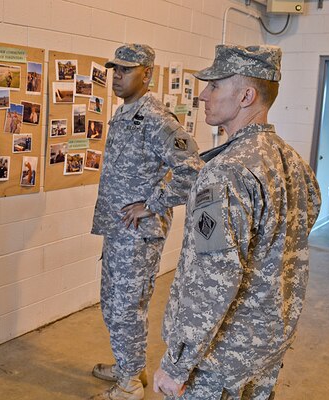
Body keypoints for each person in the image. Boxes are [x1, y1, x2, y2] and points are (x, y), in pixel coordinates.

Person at [153, 45, 322, 399]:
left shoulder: (225, 172)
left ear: (246, 95)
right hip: (265, 348)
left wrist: (176, 366)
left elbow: (212, 279)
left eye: (214, 86)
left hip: (219, 361)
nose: (202, 95)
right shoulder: (293, 163)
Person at [90, 44, 204, 400]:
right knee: (112, 301)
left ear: (148, 74)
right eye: (115, 70)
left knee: (127, 306)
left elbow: (192, 168)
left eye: (126, 70)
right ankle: (130, 366)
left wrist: (152, 203)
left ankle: (129, 386)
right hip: (119, 229)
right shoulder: (126, 114)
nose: (117, 76)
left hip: (139, 234)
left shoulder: (156, 118)